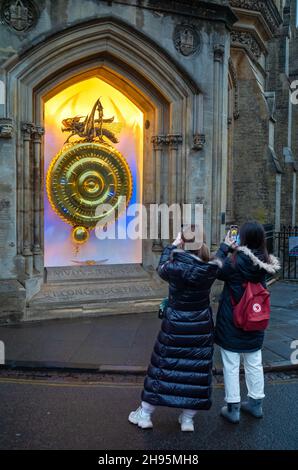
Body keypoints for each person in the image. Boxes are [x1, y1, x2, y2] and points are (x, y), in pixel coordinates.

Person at [128, 230, 222, 432]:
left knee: (161, 370)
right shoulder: (210, 269)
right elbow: (218, 258)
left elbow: (160, 268)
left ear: (183, 244)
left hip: (176, 324)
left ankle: (144, 415)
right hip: (201, 326)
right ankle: (187, 420)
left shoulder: (174, 267)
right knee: (195, 373)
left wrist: (172, 245)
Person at [215, 221, 280, 424]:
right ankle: (255, 404)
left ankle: (233, 408)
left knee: (231, 364)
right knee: (254, 362)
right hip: (255, 318)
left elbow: (214, 269)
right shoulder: (266, 262)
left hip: (232, 320)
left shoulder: (234, 263)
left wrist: (225, 247)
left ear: (242, 238)